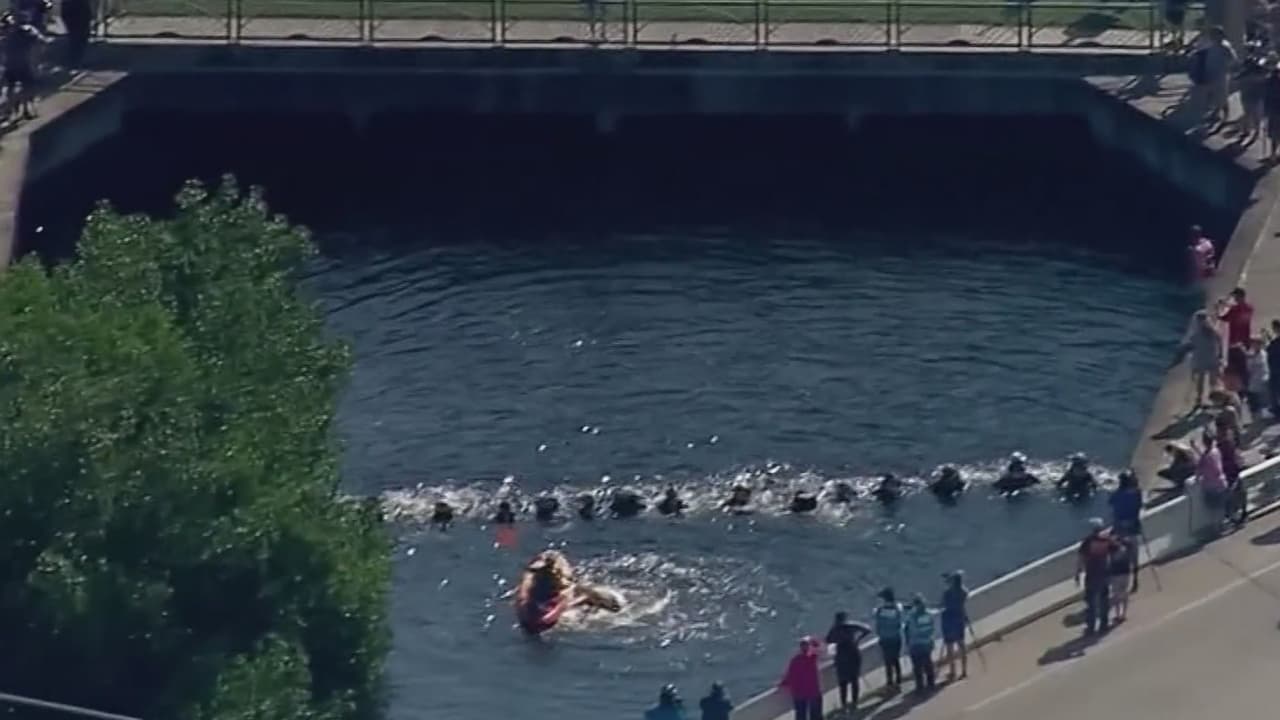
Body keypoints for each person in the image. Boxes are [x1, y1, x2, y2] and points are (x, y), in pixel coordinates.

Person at [1075, 518, 1117, 635]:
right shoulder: (1106, 540)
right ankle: (1104, 624)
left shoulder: (1087, 542)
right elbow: (1116, 550)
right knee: (1104, 600)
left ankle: (1091, 627)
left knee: (1091, 602)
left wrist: (1078, 574)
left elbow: (1081, 559)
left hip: (1092, 575)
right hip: (1105, 573)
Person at [1, 12, 44, 122]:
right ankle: (26, 110)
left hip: (10, 64)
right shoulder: (28, 32)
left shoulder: (7, 34)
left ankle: (8, 111)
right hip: (24, 64)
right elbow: (40, 40)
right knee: (27, 87)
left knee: (11, 87)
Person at [825, 611, 872, 710]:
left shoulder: (835, 629)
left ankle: (844, 704)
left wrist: (836, 640)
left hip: (842, 656)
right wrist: (858, 639)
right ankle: (854, 703)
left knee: (843, 683)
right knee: (854, 680)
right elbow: (867, 629)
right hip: (853, 653)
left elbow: (828, 640)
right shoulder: (851, 626)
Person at [1109, 469, 1144, 591]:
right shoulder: (1137, 493)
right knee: (1134, 556)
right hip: (1133, 528)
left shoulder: (1116, 494)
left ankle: (1119, 582)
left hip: (1119, 530)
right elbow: (1139, 506)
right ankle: (1135, 580)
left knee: (1118, 556)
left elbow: (1111, 504)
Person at [1183, 310, 1223, 407]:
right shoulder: (1209, 331)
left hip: (1206, 357)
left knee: (1208, 380)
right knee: (1207, 380)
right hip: (1207, 357)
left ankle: (1206, 399)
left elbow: (1191, 346)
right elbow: (1219, 340)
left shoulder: (1199, 333)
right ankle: (1205, 399)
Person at [778, 638, 822, 720]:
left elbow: (789, 676)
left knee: (804, 715)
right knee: (811, 715)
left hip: (803, 693)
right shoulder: (809, 657)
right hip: (807, 692)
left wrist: (782, 683)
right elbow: (789, 676)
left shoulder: (799, 659)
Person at [904, 594, 937, 696]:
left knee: (918, 666)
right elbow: (932, 628)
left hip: (916, 643)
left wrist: (908, 643)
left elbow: (910, 631)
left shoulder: (912, 617)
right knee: (927, 663)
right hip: (926, 641)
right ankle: (931, 683)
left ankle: (920, 686)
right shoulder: (928, 614)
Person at [873, 588, 905, 690]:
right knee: (896, 660)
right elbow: (899, 622)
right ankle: (899, 681)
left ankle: (890, 683)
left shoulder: (879, 610)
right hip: (896, 637)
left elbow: (877, 624)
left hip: (885, 639)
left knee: (888, 662)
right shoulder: (897, 609)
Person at [940, 571, 970, 680]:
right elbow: (965, 593)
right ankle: (964, 670)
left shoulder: (947, 593)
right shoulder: (963, 592)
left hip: (948, 620)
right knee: (961, 645)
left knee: (950, 647)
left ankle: (953, 671)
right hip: (959, 619)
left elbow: (942, 604)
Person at [1196, 431, 1229, 528]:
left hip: (1210, 486)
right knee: (1220, 506)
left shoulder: (1206, 456)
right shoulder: (1216, 451)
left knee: (1212, 508)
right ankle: (1221, 524)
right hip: (1221, 483)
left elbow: (1199, 470)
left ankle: (1216, 526)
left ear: (1204, 442)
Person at [59, 0, 90, 66]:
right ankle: (74, 60)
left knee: (76, 35)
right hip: (77, 7)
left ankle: (74, 59)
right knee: (79, 35)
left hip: (71, 6)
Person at [1246, 338, 1270, 420]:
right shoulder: (1250, 354)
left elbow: (1259, 364)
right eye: (1254, 344)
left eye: (1257, 344)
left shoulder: (1263, 354)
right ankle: (1254, 417)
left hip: (1261, 379)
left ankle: (1260, 417)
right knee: (1252, 400)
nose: (1255, 346)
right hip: (1252, 380)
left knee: (1261, 400)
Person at [1109, 538, 1132, 622]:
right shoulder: (1126, 548)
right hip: (1126, 573)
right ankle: (1123, 614)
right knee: (1124, 593)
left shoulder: (1112, 549)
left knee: (1116, 595)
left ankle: (1118, 615)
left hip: (1116, 575)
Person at [1267, 60, 1280, 162]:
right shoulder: (1272, 81)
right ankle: (1273, 154)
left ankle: (1274, 155)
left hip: (1274, 111)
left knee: (1275, 134)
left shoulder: (1272, 80)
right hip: (1275, 111)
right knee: (1274, 134)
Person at [1269, 319, 1280, 415]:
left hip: (1276, 369)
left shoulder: (1276, 342)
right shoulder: (1275, 341)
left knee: (1275, 390)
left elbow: (1271, 352)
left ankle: (1276, 409)